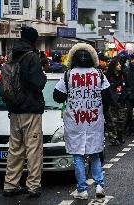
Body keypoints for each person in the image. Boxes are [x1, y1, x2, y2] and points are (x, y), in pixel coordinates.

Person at [53, 43, 110, 199]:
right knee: (95, 154)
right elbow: (108, 97)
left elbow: (56, 96)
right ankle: (99, 185)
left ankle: (82, 189)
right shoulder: (99, 75)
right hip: (94, 121)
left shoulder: (68, 75)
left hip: (75, 123)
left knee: (78, 155)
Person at [3, 26, 47, 197]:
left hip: (14, 110)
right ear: (33, 40)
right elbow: (38, 83)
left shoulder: (12, 55)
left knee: (15, 148)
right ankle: (33, 186)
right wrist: (42, 75)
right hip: (30, 109)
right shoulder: (32, 57)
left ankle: (10, 185)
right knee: (33, 149)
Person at [106, 57, 126, 145]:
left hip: (121, 101)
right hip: (112, 102)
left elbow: (125, 86)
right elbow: (109, 90)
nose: (120, 66)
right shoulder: (109, 77)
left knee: (121, 120)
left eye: (120, 64)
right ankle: (113, 138)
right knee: (112, 121)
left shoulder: (122, 75)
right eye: (117, 64)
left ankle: (120, 137)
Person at [125, 53, 134, 136]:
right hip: (129, 95)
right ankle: (129, 128)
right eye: (132, 59)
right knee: (129, 112)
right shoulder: (127, 70)